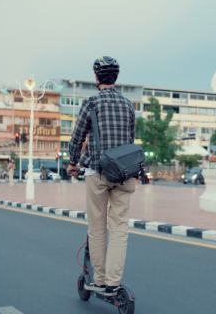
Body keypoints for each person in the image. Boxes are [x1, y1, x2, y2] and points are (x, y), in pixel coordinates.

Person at [67, 56, 137, 297]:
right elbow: (130, 140)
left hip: (97, 172)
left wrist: (73, 162)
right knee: (119, 228)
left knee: (97, 227)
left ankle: (99, 280)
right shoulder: (129, 105)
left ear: (96, 77)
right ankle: (113, 283)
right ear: (115, 78)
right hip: (125, 173)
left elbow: (77, 138)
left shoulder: (91, 103)